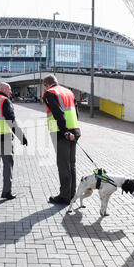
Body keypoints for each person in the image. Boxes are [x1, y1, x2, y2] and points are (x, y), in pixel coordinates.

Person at [42, 74, 81, 205]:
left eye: (44, 87)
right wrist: (72, 130)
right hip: (74, 129)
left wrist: (64, 131)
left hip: (61, 133)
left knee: (63, 165)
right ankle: (71, 194)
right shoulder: (68, 92)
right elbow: (76, 113)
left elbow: (57, 112)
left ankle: (64, 196)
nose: (44, 89)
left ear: (46, 84)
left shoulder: (50, 93)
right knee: (71, 164)